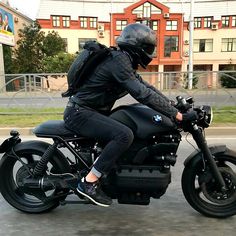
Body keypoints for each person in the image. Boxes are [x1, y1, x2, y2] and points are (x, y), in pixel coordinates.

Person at [63, 23, 197, 207]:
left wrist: (172, 106)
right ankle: (88, 182)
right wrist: (177, 115)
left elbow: (146, 88)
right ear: (138, 47)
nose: (150, 52)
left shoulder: (123, 61)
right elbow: (141, 94)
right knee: (124, 134)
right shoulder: (118, 62)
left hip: (89, 112)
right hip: (80, 113)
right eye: (149, 48)